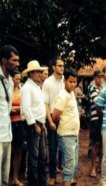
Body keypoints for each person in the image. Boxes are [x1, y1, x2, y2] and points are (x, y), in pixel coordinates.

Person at [21, 60, 48, 186]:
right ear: (31, 73)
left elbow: (39, 107)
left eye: (39, 71)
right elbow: (26, 109)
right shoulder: (27, 88)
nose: (39, 73)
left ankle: (41, 182)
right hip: (34, 125)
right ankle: (34, 183)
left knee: (42, 157)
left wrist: (42, 125)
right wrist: (34, 125)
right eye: (37, 71)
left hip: (39, 124)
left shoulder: (36, 86)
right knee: (34, 157)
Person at [52, 68, 79, 186]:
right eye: (70, 81)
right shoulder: (62, 96)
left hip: (74, 134)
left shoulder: (71, 93)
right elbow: (55, 116)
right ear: (65, 81)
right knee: (68, 166)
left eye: (74, 82)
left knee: (73, 165)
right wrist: (64, 124)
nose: (73, 84)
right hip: (66, 135)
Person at [42, 57, 65, 186]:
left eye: (63, 66)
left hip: (65, 118)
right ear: (54, 67)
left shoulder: (65, 81)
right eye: (60, 66)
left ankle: (67, 176)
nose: (62, 68)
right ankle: (52, 176)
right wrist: (50, 121)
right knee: (52, 148)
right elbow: (45, 103)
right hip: (52, 118)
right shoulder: (47, 82)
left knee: (65, 149)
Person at [0, 45, 19, 186]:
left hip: (7, 134)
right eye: (14, 60)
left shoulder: (11, 82)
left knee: (5, 178)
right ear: (4, 61)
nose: (18, 64)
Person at [10, 71, 25, 186]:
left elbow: (25, 106)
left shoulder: (22, 90)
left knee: (18, 150)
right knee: (7, 151)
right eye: (16, 79)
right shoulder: (7, 89)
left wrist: (15, 108)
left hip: (19, 123)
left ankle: (15, 178)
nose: (18, 81)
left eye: (20, 79)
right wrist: (12, 109)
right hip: (8, 123)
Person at [89, 70, 103, 177]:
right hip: (95, 120)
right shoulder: (92, 88)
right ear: (95, 78)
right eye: (98, 77)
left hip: (104, 119)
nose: (100, 79)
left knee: (102, 144)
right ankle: (93, 168)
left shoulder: (103, 89)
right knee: (95, 144)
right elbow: (98, 102)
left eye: (102, 77)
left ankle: (100, 166)